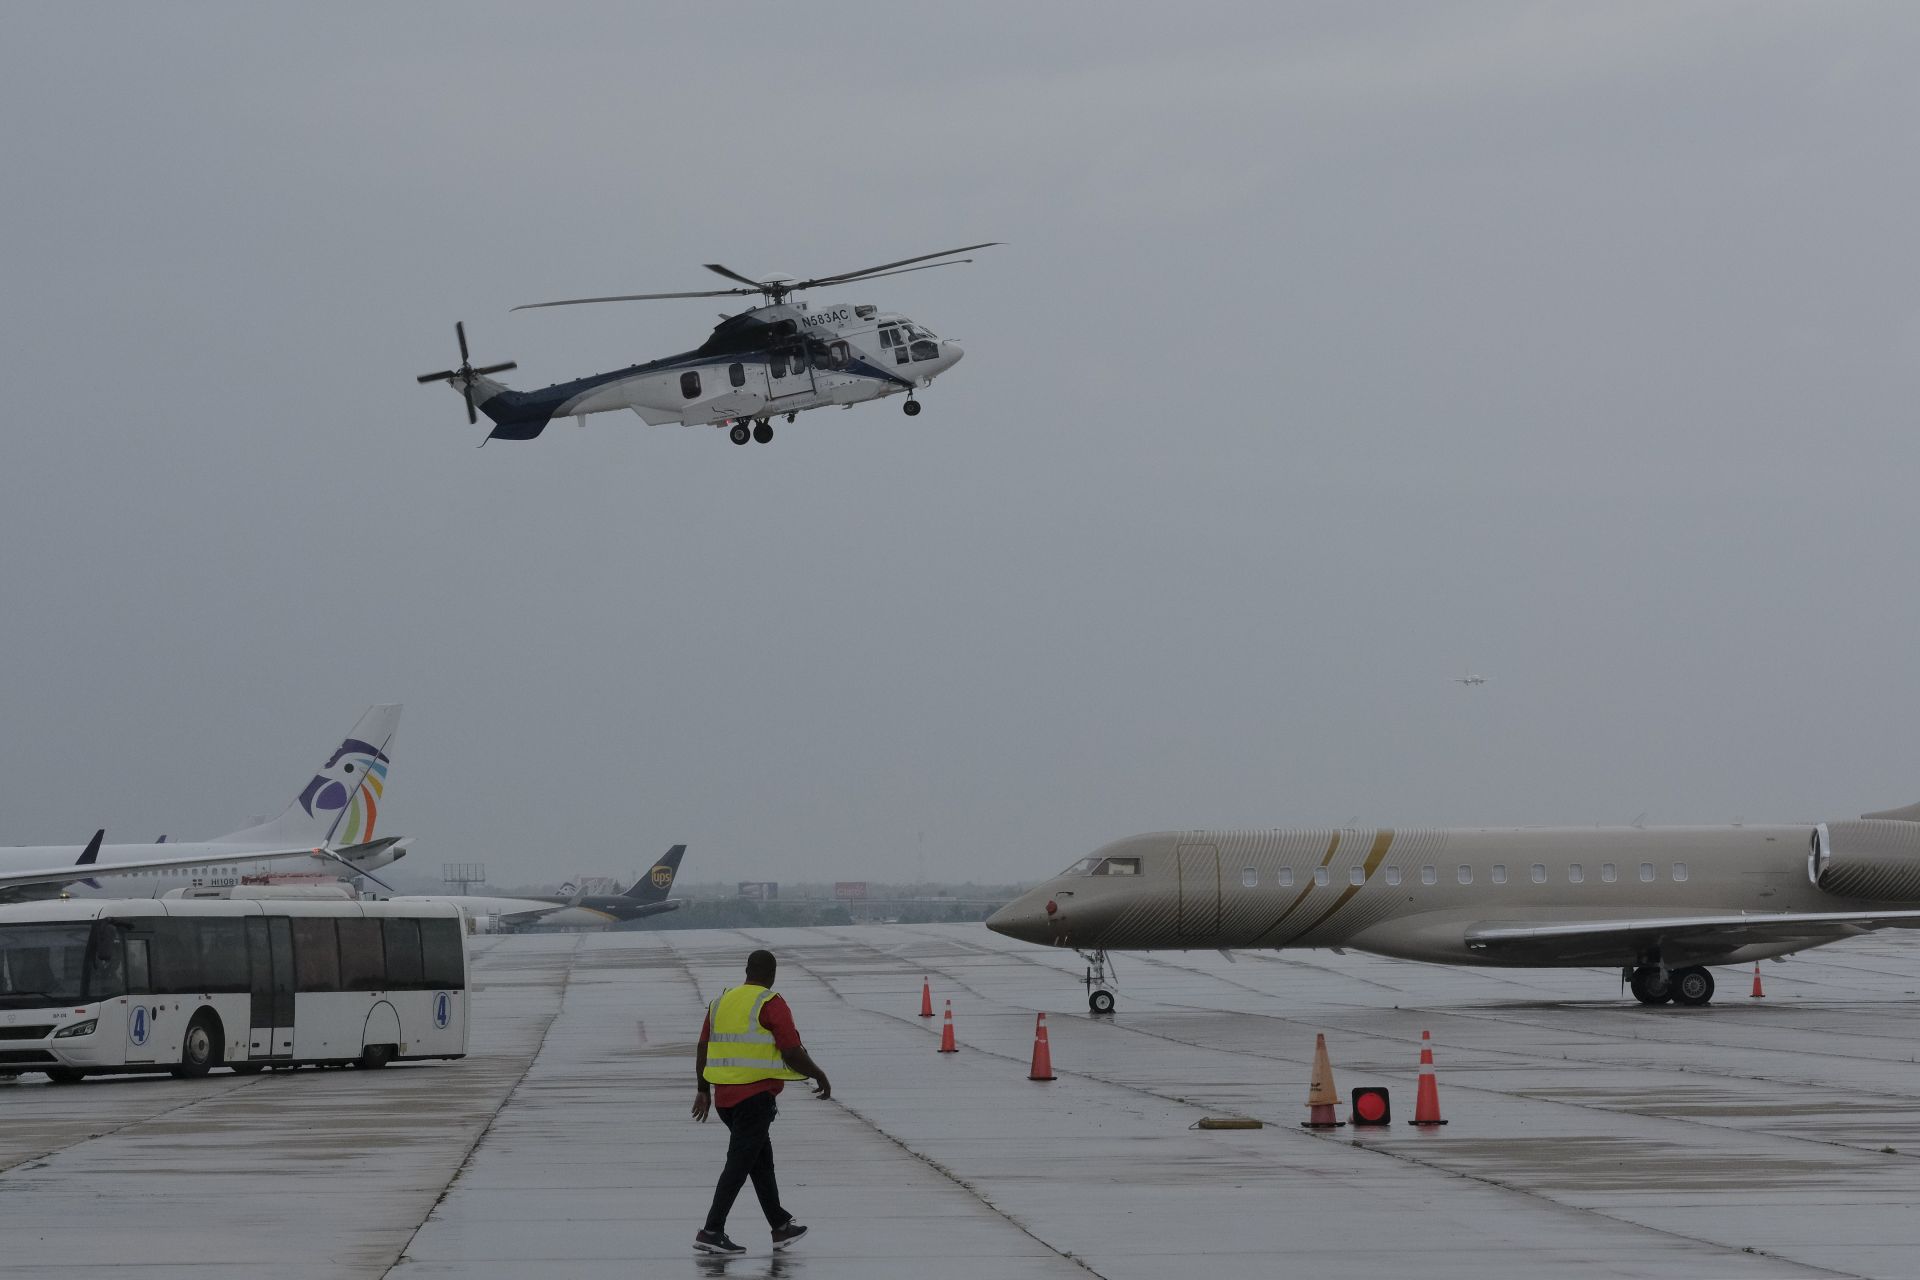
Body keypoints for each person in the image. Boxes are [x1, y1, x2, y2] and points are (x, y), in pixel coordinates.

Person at [692, 949, 832, 1255]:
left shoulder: (720, 1002)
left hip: (725, 1100)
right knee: (739, 1166)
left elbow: (703, 1046)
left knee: (761, 1164)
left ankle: (781, 1227)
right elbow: (791, 1051)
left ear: (746, 971)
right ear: (771, 974)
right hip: (754, 1100)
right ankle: (712, 1230)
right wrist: (819, 1074)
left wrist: (702, 1088)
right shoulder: (770, 1002)